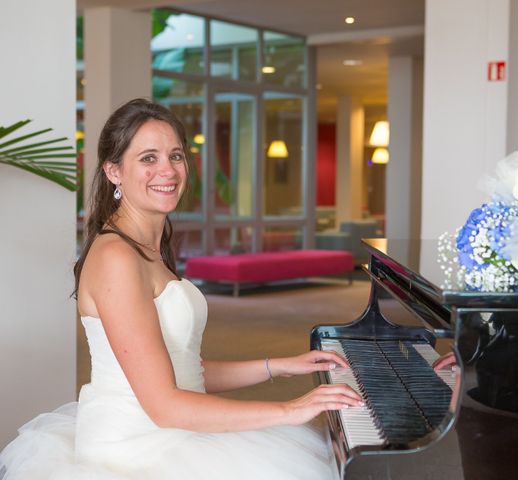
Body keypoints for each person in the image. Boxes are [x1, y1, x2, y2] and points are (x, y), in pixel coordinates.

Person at [0, 98, 362, 480]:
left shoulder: (149, 247)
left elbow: (185, 369)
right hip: (138, 450)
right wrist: (290, 411)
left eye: (175, 155)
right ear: (113, 171)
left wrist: (279, 366)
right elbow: (165, 406)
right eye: (148, 158)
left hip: (168, 434)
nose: (168, 170)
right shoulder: (117, 258)